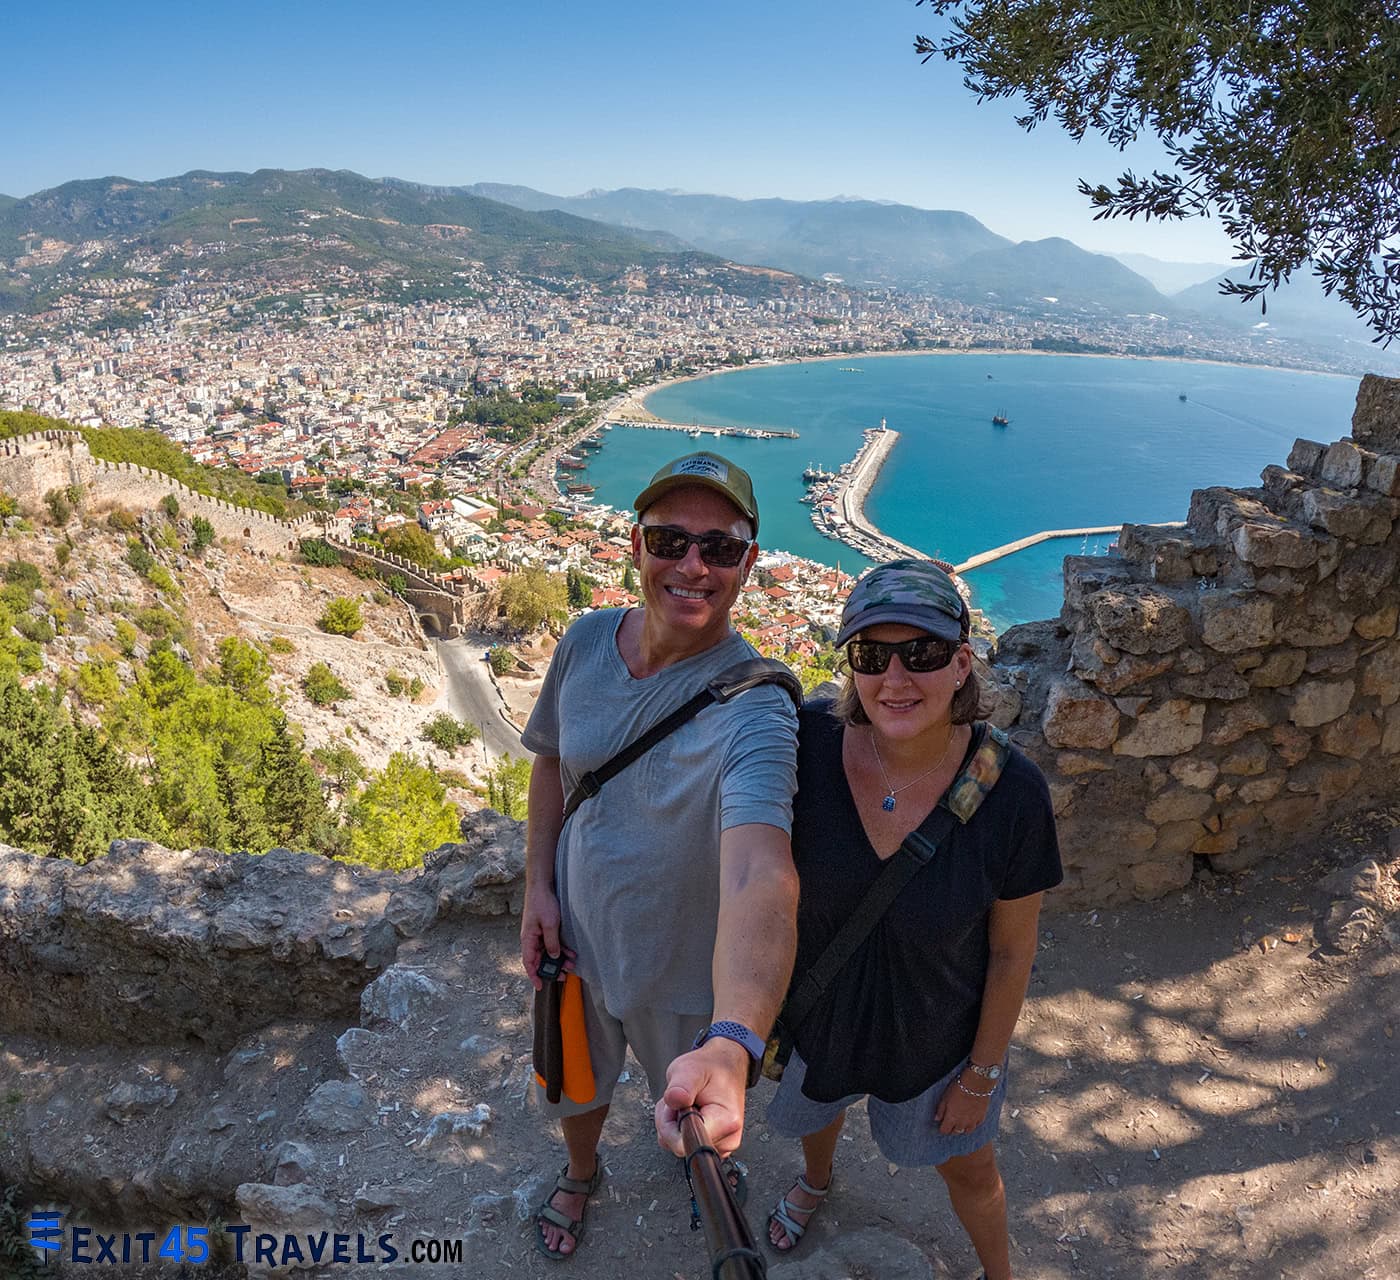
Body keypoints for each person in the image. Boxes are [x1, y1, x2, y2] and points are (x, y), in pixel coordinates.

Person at [520, 450, 801, 1260]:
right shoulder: (582, 641)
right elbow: (551, 761)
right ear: (634, 546)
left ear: (749, 564)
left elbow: (761, 871)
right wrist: (537, 888)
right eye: (670, 539)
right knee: (574, 1078)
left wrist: (734, 1039)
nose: (691, 565)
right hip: (575, 938)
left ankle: (696, 1166)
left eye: (719, 548)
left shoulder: (756, 708)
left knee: (686, 1099)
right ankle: (581, 1172)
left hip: (682, 970)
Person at [764, 558, 1061, 1280]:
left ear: (962, 662)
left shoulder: (1013, 795)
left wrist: (981, 1076)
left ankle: (1000, 1273)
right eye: (872, 655)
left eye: (922, 653)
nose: (895, 679)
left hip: (937, 1038)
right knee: (817, 1111)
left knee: (970, 1171)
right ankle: (817, 1180)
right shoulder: (805, 744)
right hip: (819, 1013)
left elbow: (1011, 953)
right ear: (851, 668)